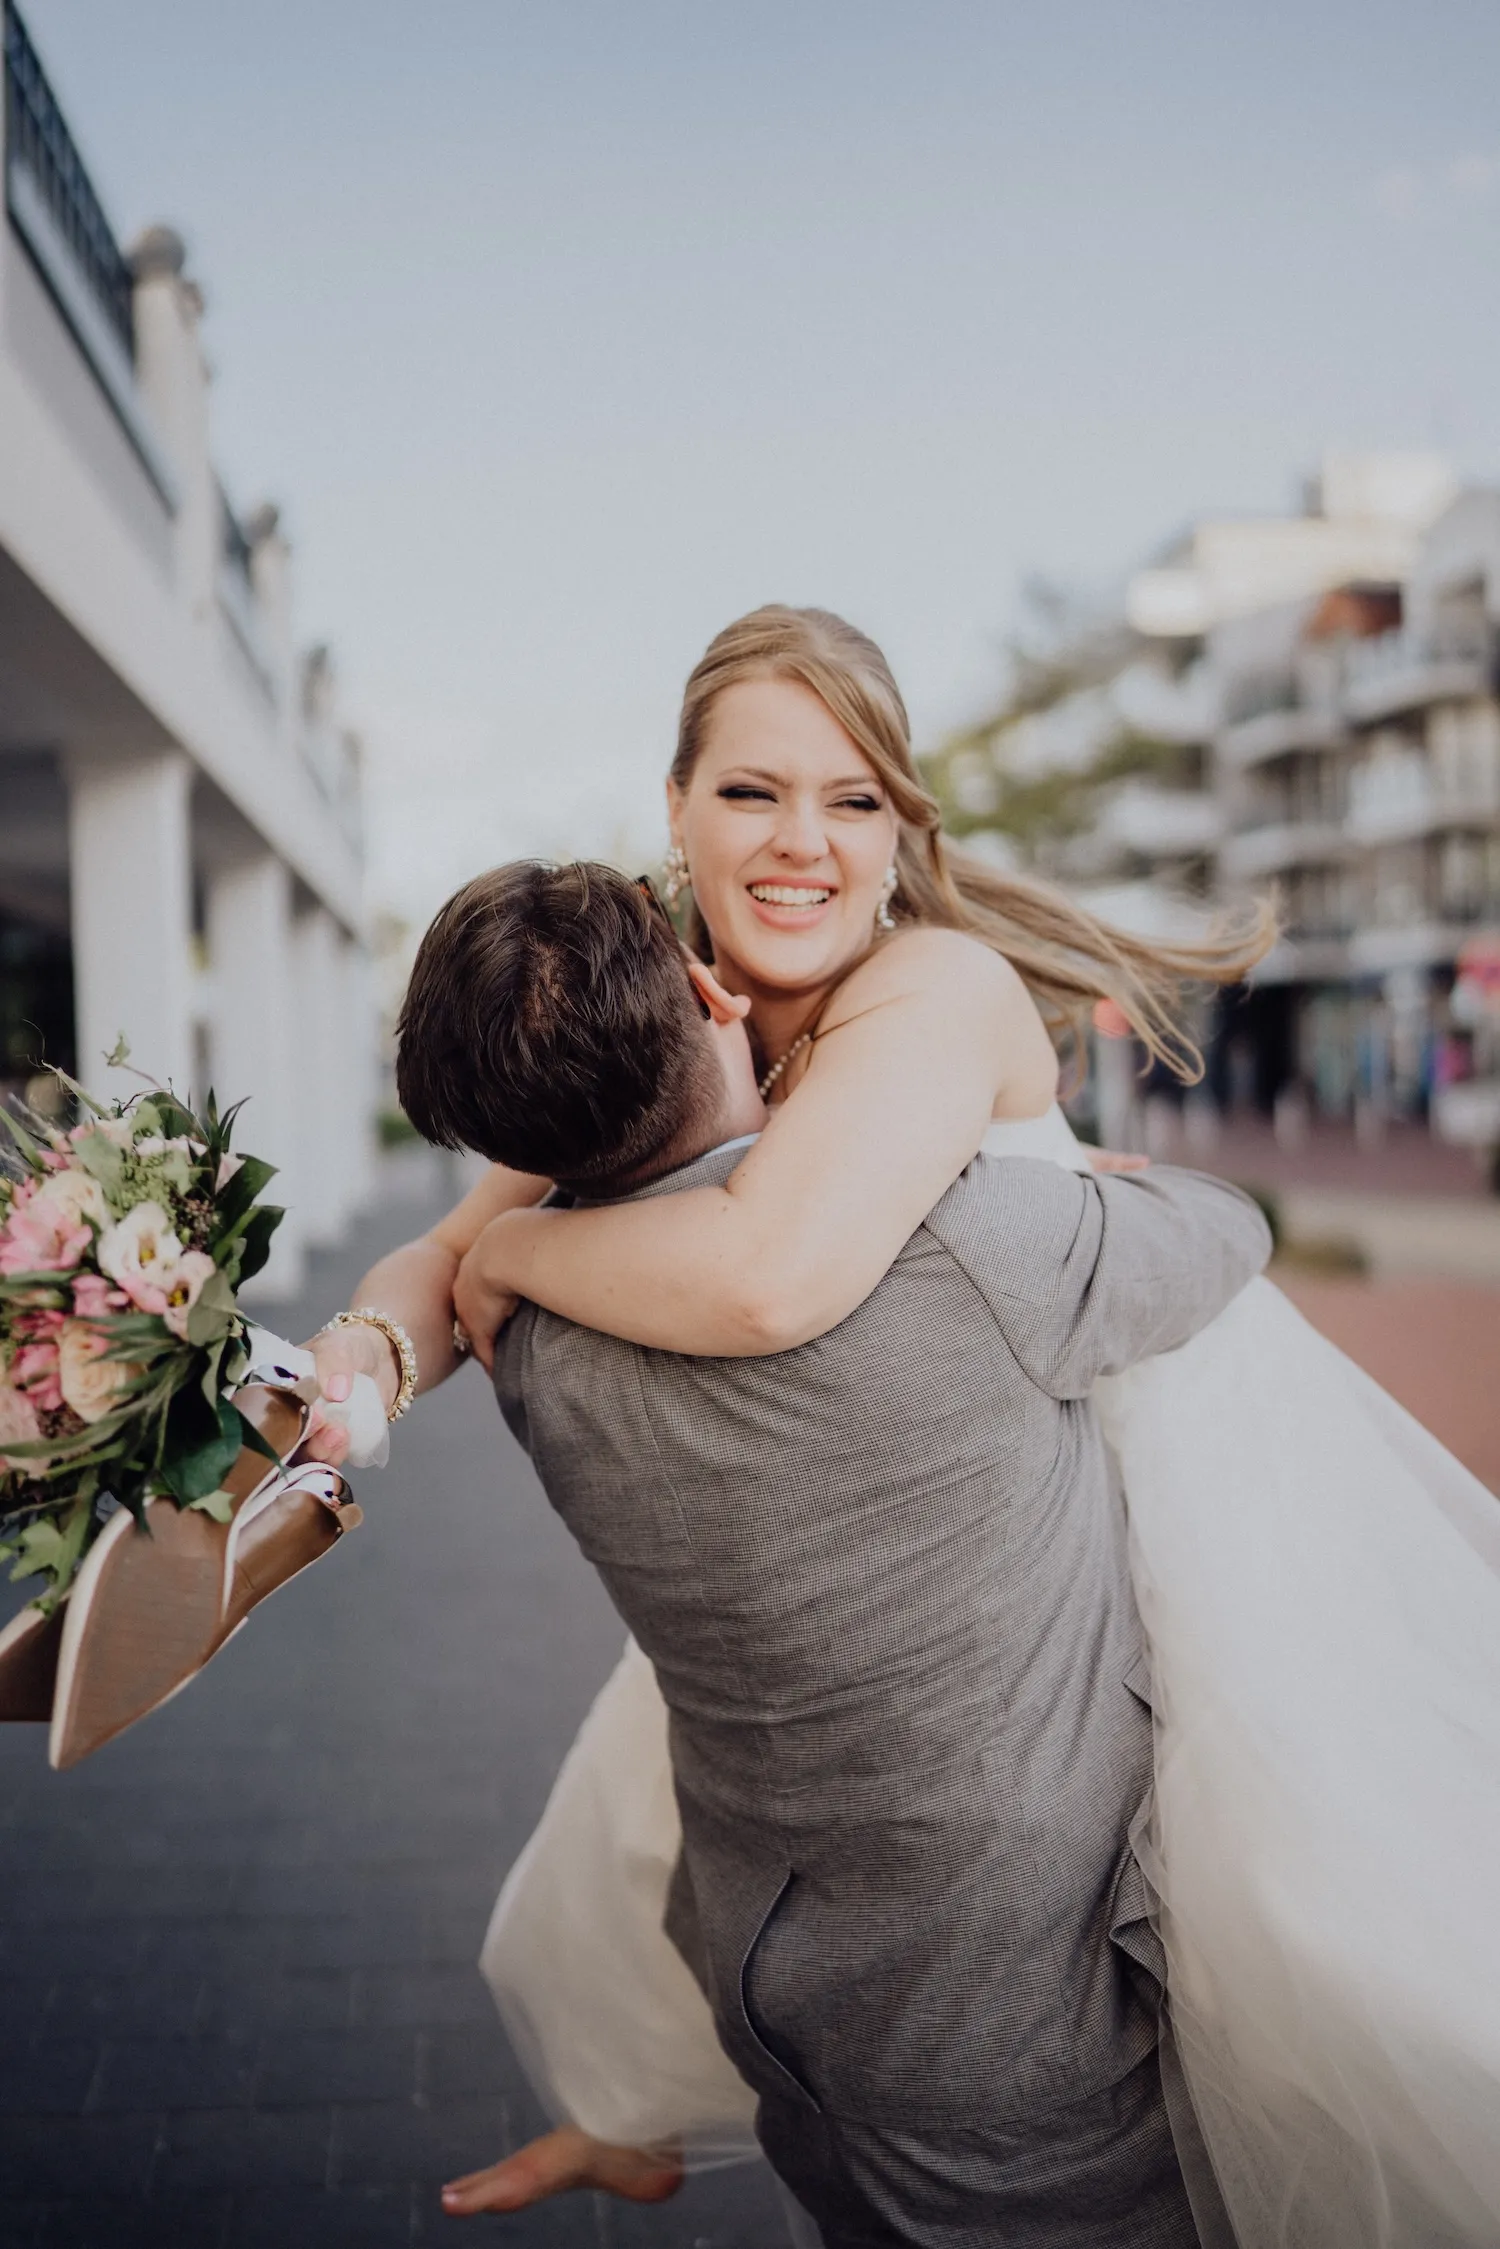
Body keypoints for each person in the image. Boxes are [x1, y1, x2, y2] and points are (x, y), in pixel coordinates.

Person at [312, 607, 1500, 2246]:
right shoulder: (681, 1008)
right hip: (915, 1580)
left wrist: (507, 1250)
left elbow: (767, 1271)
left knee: (1274, 1977)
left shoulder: (925, 989)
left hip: (1118, 1489)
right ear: (673, 810)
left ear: (899, 830)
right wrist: (357, 1366)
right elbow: (433, 1265)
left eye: (853, 800)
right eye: (751, 794)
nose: (803, 841)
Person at [405, 855, 1273, 2245]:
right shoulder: (956, 1236)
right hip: (1033, 2026)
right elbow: (1231, 1234)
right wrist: (1065, 1177)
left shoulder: (533, 1360)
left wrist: (502, 1240)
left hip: (790, 2004)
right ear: (711, 991)